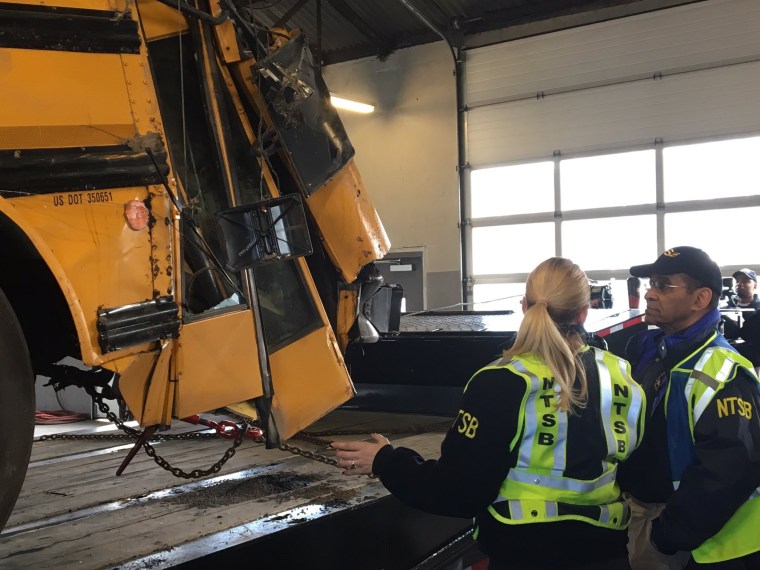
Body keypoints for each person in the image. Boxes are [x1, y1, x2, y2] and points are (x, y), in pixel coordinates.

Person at [332, 257, 645, 570]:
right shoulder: (622, 376)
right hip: (608, 555)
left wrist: (385, 460)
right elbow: (643, 477)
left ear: (525, 306)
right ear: (584, 312)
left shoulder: (501, 381)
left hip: (525, 556)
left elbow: (458, 491)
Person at [618, 246, 760, 569]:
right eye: (650, 284)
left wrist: (666, 534)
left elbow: (728, 471)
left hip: (718, 550)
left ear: (700, 299)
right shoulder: (657, 354)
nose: (650, 294)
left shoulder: (723, 372)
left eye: (664, 285)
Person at [721, 269, 760, 366]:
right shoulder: (725, 309)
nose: (740, 284)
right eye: (737, 281)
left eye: (746, 281)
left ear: (755, 285)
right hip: (729, 357)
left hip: (755, 360)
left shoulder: (758, 310)